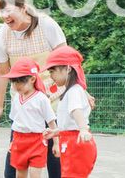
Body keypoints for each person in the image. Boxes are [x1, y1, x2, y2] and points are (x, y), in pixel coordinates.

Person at [0, 0, 69, 178]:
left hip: (53, 104)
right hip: (23, 111)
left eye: (8, 11)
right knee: (14, 167)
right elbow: (2, 73)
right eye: (1, 12)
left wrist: (81, 90)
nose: (4, 16)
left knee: (57, 163)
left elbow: (68, 62)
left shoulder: (47, 25)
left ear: (23, 8)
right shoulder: (2, 35)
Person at [42, 45, 97, 178]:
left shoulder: (74, 91)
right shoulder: (70, 91)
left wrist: (83, 129)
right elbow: (70, 123)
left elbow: (75, 111)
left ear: (67, 68)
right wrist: (57, 132)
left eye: (52, 71)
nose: (51, 76)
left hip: (76, 143)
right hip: (71, 139)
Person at [1, 57, 58, 178]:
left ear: (32, 79)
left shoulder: (41, 98)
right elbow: (15, 121)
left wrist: (56, 144)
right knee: (20, 174)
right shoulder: (16, 97)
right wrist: (12, 142)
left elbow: (52, 122)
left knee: (34, 174)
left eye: (21, 81)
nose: (17, 85)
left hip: (37, 141)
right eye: (14, 81)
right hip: (19, 140)